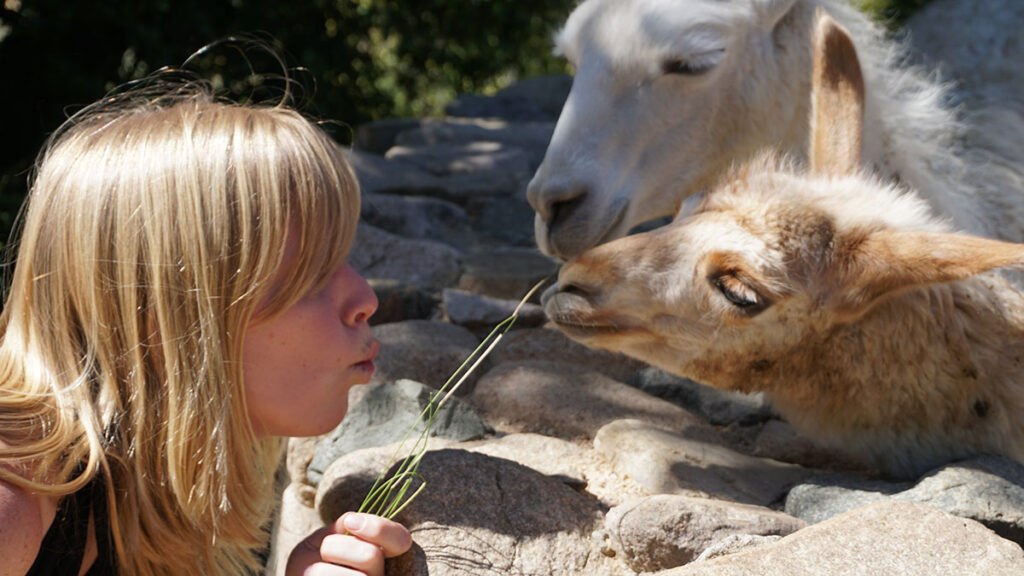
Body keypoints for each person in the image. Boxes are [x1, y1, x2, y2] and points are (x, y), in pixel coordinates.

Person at [0, 71, 412, 575]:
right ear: (171, 318)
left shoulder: (169, 476)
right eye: (312, 275)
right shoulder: (16, 497)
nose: (366, 299)